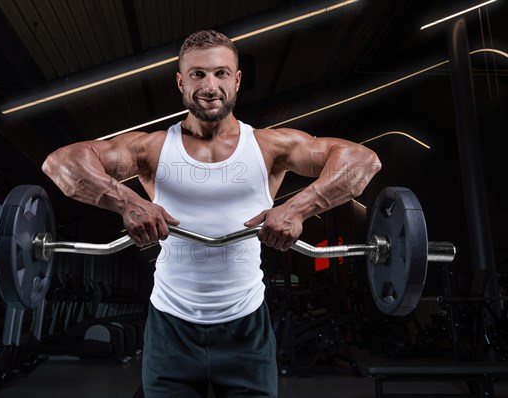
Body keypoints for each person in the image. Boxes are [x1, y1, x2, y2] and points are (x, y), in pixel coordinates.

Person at [42, 29, 381, 398]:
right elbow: (61, 163)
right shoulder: (151, 149)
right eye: (197, 74)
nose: (210, 85)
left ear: (236, 80)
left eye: (221, 73)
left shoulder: (269, 146)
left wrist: (297, 208)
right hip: (170, 324)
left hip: (246, 325)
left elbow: (362, 161)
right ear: (180, 82)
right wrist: (127, 202)